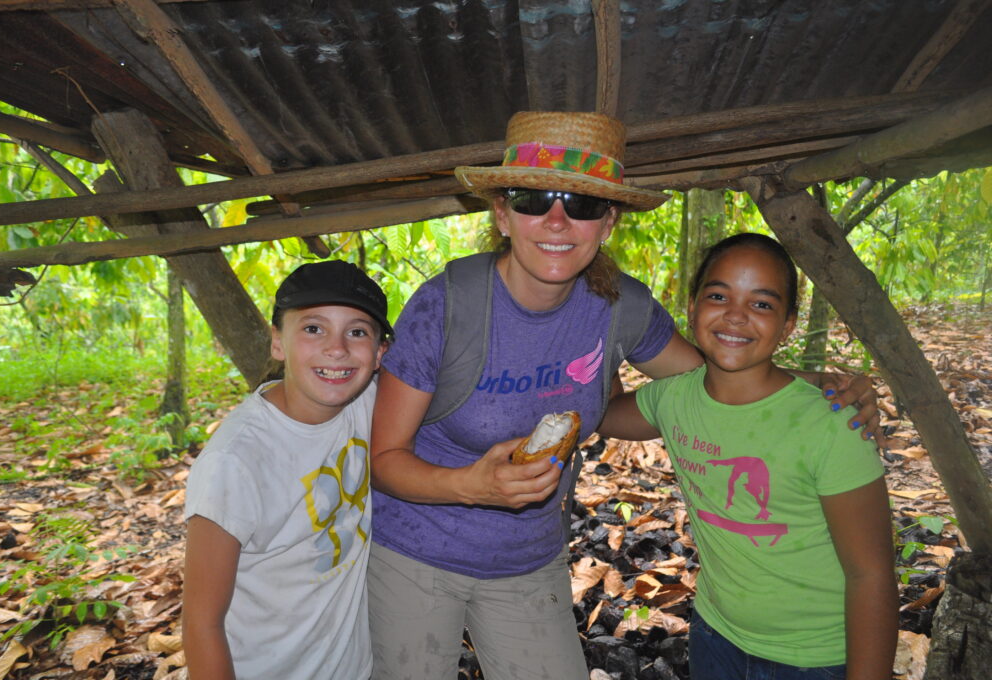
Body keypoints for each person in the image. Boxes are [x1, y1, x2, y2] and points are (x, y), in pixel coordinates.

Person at [368, 110, 880, 680]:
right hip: (416, 553)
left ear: (607, 223)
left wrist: (823, 387)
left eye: (582, 205)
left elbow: (720, 377)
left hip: (528, 560)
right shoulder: (447, 306)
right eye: (534, 199)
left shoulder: (619, 305)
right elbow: (384, 462)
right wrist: (472, 485)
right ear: (502, 213)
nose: (557, 221)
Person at [599, 233, 898, 680]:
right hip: (716, 635)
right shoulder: (672, 400)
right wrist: (590, 329)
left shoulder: (831, 424)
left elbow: (871, 575)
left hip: (814, 657)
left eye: (761, 304)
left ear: (789, 325)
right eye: (719, 296)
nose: (736, 315)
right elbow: (601, 415)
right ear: (693, 307)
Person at [182, 260, 392, 680]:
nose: (337, 349)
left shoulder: (366, 402)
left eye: (357, 331)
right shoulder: (236, 462)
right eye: (313, 328)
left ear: (379, 353)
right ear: (277, 342)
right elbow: (201, 623)